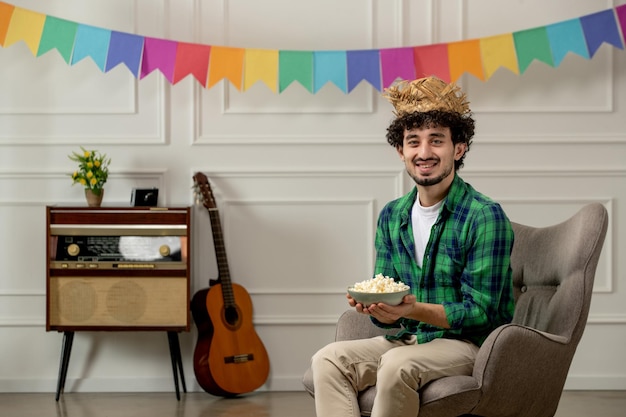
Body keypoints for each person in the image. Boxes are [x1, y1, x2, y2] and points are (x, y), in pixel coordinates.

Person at [309, 76, 515, 417]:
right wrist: (378, 307)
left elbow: (483, 312)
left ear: (458, 148)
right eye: (413, 141)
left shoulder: (484, 216)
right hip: (412, 338)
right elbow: (391, 311)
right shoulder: (392, 216)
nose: (424, 153)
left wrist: (410, 308)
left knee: (395, 365)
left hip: (468, 345)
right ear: (400, 151)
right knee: (327, 360)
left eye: (436, 141)